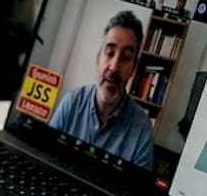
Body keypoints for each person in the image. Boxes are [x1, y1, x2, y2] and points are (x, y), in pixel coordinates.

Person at [47, 10, 155, 169]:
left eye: (125, 57)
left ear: (133, 68)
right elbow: (45, 154)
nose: (114, 66)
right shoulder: (72, 101)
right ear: (98, 59)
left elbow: (135, 192)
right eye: (110, 52)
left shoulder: (142, 129)